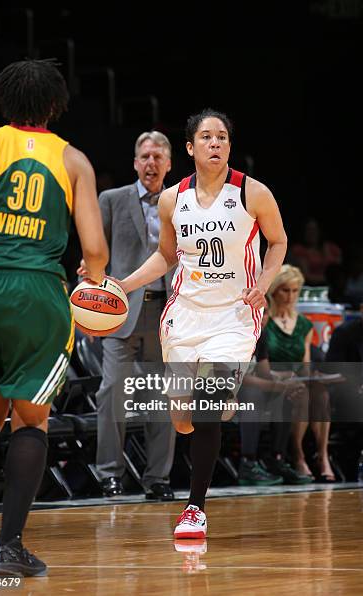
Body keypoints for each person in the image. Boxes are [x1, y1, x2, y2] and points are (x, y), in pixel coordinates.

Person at [0, 59, 108, 576]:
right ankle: (8, 546)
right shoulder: (73, 161)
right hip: (36, 294)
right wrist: (92, 273)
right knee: (30, 418)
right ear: (53, 106)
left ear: (4, 102)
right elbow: (95, 250)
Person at [115, 108, 287, 538]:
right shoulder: (174, 198)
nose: (216, 143)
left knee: (207, 409)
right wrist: (124, 284)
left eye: (222, 137)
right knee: (183, 420)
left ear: (229, 146)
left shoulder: (253, 192)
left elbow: (278, 240)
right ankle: (212, 398)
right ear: (190, 148)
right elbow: (166, 256)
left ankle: (195, 509)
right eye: (207, 137)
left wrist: (263, 283)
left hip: (233, 316)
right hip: (185, 315)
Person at [84, 131, 176, 500]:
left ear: (169, 164)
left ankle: (158, 479)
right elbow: (96, 252)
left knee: (162, 396)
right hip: (119, 311)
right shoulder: (112, 199)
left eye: (158, 157)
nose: (151, 163)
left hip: (165, 311)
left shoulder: (182, 202)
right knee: (112, 393)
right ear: (135, 163)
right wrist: (89, 274)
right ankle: (109, 474)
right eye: (144, 157)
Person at [264, 265, 334, 482]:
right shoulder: (265, 323)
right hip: (272, 381)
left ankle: (323, 456)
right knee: (302, 393)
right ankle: (298, 455)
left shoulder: (304, 324)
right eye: (285, 290)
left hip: (299, 379)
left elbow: (305, 364)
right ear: (274, 291)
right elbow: (260, 363)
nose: (290, 296)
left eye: (295, 291)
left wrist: (315, 376)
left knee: (320, 392)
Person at [238, 298, 310, 486]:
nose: (262, 317)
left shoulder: (260, 335)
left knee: (285, 395)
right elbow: (233, 377)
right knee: (252, 395)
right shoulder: (233, 334)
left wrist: (286, 378)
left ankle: (277, 458)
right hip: (218, 389)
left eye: (266, 312)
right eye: (258, 310)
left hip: (250, 388)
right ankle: (248, 463)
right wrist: (273, 385)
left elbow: (264, 373)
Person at [288, 217, 342, 286]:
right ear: (303, 231)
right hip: (311, 287)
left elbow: (339, 271)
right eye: (309, 230)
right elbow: (307, 276)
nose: (312, 233)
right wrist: (332, 280)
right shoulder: (298, 250)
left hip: (334, 289)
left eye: (314, 229)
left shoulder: (332, 248)